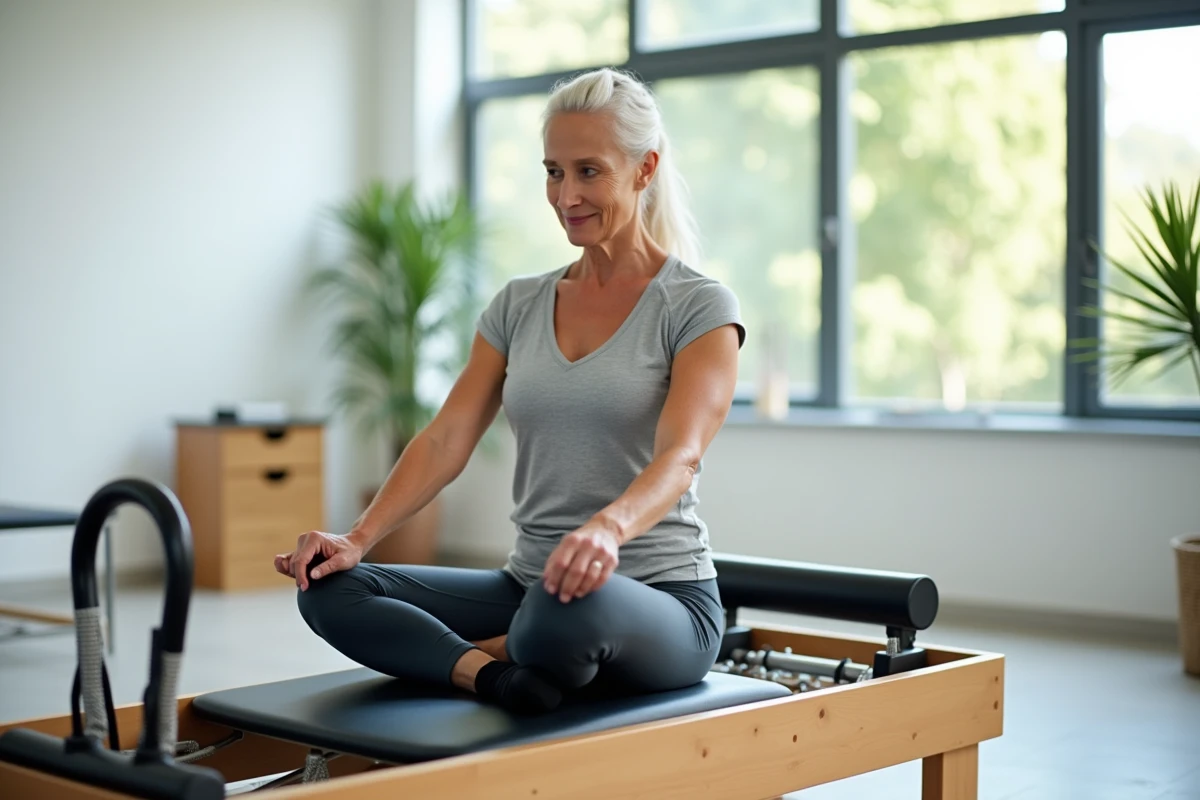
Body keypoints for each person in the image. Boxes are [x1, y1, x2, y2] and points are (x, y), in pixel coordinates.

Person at [275, 67, 746, 716]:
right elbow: (445, 438)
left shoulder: (698, 306)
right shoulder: (519, 304)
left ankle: (466, 654)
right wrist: (357, 539)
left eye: (589, 171)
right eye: (553, 172)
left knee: (564, 608)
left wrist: (606, 531)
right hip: (529, 585)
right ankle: (493, 675)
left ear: (645, 169)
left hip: (659, 597)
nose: (566, 195)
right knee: (327, 588)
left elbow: (681, 456)